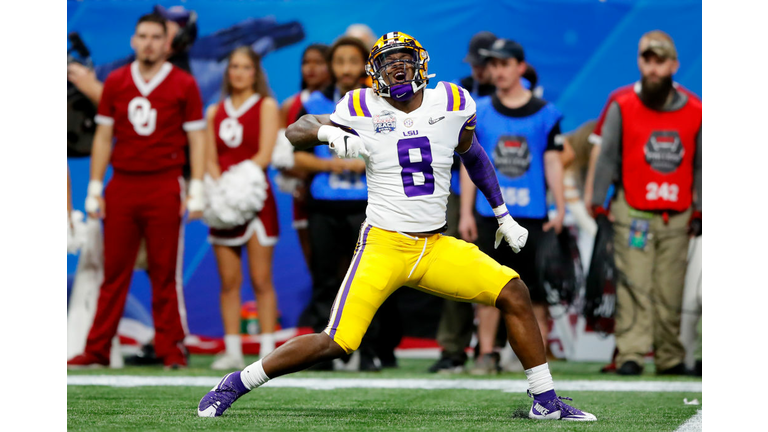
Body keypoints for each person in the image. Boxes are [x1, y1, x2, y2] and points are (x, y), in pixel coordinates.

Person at [198, 31, 596, 421]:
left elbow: (473, 155)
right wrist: (330, 134)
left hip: (436, 244)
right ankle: (237, 381)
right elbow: (295, 130)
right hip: (384, 245)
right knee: (337, 341)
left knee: (514, 291)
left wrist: (503, 214)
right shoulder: (361, 106)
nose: (397, 69)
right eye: (388, 64)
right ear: (376, 74)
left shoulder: (453, 101)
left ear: (421, 64)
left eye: (403, 60)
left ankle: (544, 400)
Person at [67, 13, 206, 369]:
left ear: (166, 43)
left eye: (155, 37)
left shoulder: (183, 84)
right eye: (142, 36)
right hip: (123, 184)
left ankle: (171, 350)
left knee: (164, 272)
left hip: (164, 184)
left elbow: (197, 138)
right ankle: (96, 349)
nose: (148, 43)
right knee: (113, 272)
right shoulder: (115, 81)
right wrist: (95, 187)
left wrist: (197, 189)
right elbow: (102, 136)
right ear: (133, 41)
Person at [591, 30, 702, 376]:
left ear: (674, 65)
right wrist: (597, 204)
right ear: (640, 62)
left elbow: (701, 164)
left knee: (671, 290)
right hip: (633, 212)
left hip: (678, 214)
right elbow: (606, 155)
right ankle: (631, 355)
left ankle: (669, 357)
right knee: (633, 285)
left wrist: (701, 207)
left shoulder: (697, 109)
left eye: (660, 62)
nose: (653, 69)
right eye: (647, 60)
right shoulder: (622, 102)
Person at [460, 39, 565, 374]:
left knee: (535, 291)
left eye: (505, 64)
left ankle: (538, 359)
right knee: (489, 288)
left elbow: (553, 163)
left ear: (521, 67)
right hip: (490, 214)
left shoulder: (546, 114)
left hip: (532, 215)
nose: (498, 71)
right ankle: (487, 353)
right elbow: (470, 164)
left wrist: (560, 207)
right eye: (493, 65)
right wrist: (465, 213)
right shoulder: (479, 111)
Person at [204, 46, 281, 370]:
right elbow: (208, 157)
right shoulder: (214, 111)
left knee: (261, 279)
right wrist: (220, 191)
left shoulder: (266, 105)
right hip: (223, 204)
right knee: (228, 281)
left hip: (256, 200)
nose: (238, 72)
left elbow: (265, 153)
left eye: (245, 67)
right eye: (233, 66)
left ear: (255, 72)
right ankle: (233, 349)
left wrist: (240, 185)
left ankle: (267, 350)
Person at [428, 31, 497, 374]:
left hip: (506, 187)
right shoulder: (457, 93)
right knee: (452, 263)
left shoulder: (518, 93)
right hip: (458, 186)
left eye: (489, 62)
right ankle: (453, 347)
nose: (483, 70)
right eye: (479, 63)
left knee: (500, 268)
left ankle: (495, 348)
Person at [279, 44, 332, 267]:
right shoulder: (290, 105)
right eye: (306, 62)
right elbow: (282, 156)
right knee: (315, 264)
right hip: (302, 197)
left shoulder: (344, 102)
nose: (310, 68)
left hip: (335, 195)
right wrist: (298, 180)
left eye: (318, 62)